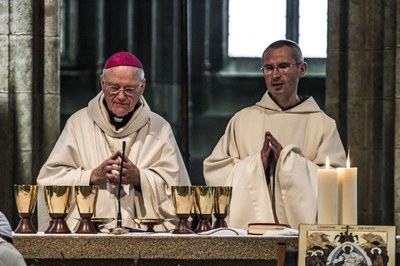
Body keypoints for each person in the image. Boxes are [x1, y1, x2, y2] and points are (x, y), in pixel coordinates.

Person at [37, 51, 191, 232]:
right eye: (114, 87)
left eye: (129, 89)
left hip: (143, 235)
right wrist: (92, 176)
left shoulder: (159, 128)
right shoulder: (78, 123)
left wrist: (140, 178)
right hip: (87, 233)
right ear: (102, 83)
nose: (120, 96)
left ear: (142, 86)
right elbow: (50, 182)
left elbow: (179, 192)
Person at [203, 40, 346, 230]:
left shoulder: (322, 125)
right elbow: (215, 171)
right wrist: (257, 164)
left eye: (284, 66)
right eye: (269, 68)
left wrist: (288, 163)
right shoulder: (242, 120)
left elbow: (335, 182)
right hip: (250, 232)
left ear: (302, 69)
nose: (275, 75)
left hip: (299, 234)